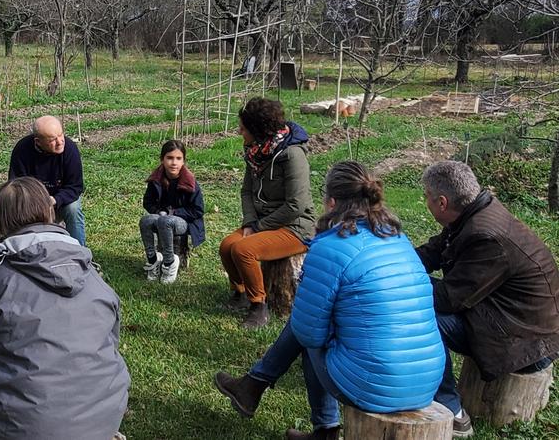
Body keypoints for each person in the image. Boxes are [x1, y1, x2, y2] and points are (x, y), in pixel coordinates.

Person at [214, 161, 444, 440]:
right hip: (428, 378)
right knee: (317, 327)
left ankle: (308, 418)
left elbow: (308, 331)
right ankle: (254, 387)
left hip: (376, 383)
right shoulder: (398, 238)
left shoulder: (331, 246)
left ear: (332, 203)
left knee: (311, 334)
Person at [0, 177, 130, 440]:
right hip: (104, 419)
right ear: (49, 212)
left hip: (28, 429)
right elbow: (110, 339)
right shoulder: (90, 271)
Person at [416, 160, 559, 437]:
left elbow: (447, 299)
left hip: (526, 343)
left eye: (427, 197)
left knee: (424, 314)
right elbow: (437, 250)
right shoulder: (473, 214)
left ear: (442, 203)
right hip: (510, 318)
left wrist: (394, 286)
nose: (425, 202)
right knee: (420, 299)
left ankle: (452, 409)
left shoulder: (486, 236)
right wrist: (393, 262)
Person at [219, 97, 315, 328]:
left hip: (295, 226)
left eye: (243, 127)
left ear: (258, 129)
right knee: (227, 246)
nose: (239, 131)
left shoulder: (292, 155)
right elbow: (246, 191)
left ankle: (258, 306)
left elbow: (296, 205)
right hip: (263, 221)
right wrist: (251, 222)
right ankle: (240, 292)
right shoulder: (254, 151)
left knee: (244, 249)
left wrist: (258, 228)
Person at [8, 115, 86, 246]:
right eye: (52, 139)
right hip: (31, 202)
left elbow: (75, 187)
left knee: (73, 209)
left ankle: (80, 251)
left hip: (60, 199)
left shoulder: (70, 150)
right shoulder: (22, 150)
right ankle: (20, 248)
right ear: (38, 141)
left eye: (61, 135)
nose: (60, 141)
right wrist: (35, 203)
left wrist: (54, 200)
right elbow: (17, 184)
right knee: (11, 205)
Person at [140, 139, 205, 284]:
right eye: (169, 158)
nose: (174, 162)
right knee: (146, 220)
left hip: (184, 221)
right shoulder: (156, 179)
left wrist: (173, 213)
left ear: (183, 161)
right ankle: (153, 260)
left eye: (178, 158)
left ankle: (170, 263)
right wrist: (158, 211)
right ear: (162, 159)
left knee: (165, 221)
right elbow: (147, 202)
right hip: (162, 216)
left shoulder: (190, 182)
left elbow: (198, 210)